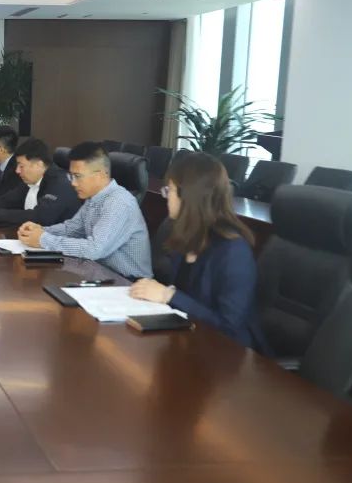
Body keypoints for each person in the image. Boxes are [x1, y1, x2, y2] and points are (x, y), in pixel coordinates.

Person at [130, 153, 264, 349]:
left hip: (227, 354)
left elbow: (230, 327)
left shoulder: (233, 251)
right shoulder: (187, 235)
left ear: (189, 196)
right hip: (189, 339)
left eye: (170, 190)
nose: (165, 196)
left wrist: (169, 296)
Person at [18, 141, 151, 279]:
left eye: (78, 176)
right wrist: (40, 230)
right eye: (71, 176)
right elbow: (72, 229)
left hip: (129, 282)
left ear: (100, 175)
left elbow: (94, 249)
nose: (73, 183)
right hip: (100, 274)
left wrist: (43, 239)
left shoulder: (119, 202)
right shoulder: (93, 198)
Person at [0, 138, 80, 226]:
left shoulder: (60, 183)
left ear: (38, 165)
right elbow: (9, 199)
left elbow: (40, 216)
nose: (17, 171)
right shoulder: (31, 179)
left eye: (21, 166)